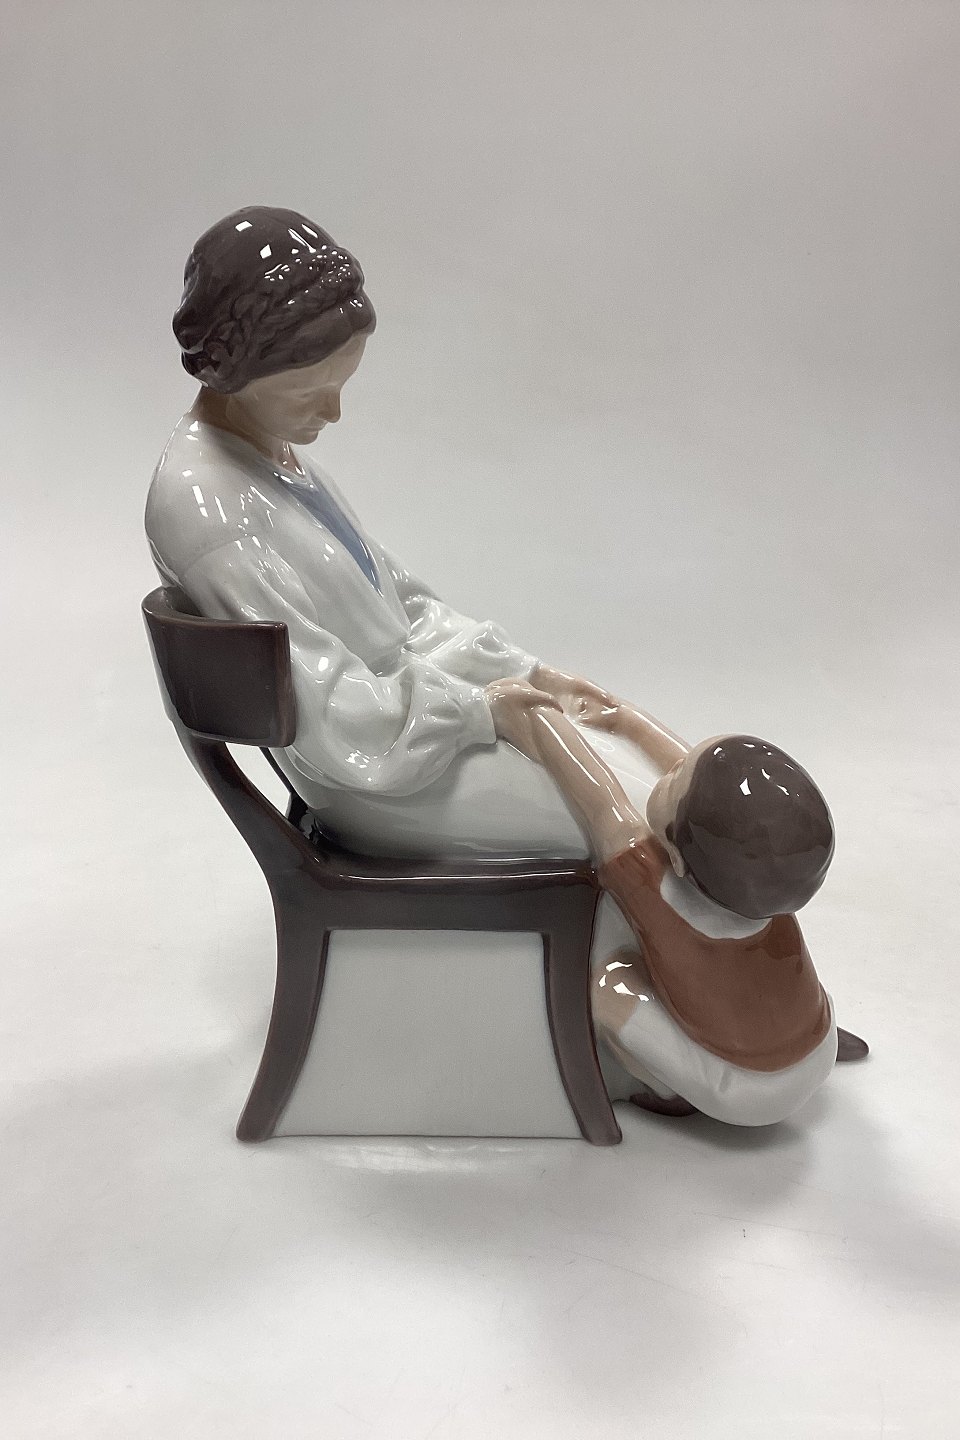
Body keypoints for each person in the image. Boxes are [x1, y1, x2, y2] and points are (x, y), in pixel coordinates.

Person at [490, 683, 867, 1123]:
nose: (670, 769)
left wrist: (535, 716)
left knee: (611, 987)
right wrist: (625, 719)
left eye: (671, 783)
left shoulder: (651, 882)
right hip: (819, 1045)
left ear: (676, 855)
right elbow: (697, 777)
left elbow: (600, 801)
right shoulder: (769, 885)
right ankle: (802, 1037)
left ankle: (662, 1087)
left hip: (744, 1093)